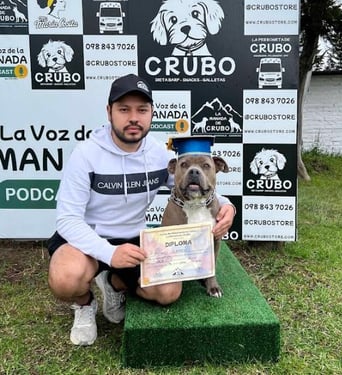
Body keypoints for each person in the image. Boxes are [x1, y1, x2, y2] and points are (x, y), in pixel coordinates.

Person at [47, 73, 235, 346]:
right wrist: (109, 252)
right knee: (66, 277)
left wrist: (228, 206)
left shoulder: (159, 154)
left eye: (141, 110)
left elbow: (192, 186)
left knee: (169, 292)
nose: (133, 117)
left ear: (151, 114)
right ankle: (85, 304)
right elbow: (67, 219)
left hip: (134, 238)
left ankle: (114, 284)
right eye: (124, 109)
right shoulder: (85, 154)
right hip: (87, 238)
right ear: (109, 111)